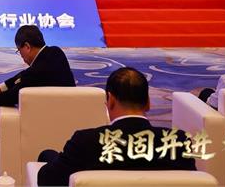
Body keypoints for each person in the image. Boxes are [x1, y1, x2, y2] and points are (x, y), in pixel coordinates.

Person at [37, 67, 196, 186]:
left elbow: (47, 179)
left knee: (47, 155)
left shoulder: (85, 142)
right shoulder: (179, 142)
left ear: (110, 100)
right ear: (148, 102)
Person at [0, 25, 75, 111]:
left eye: (19, 50)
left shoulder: (36, 72)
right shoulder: (56, 52)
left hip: (56, 117)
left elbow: (13, 95)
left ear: (27, 47)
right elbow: (24, 74)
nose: (20, 55)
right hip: (71, 111)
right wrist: (0, 88)